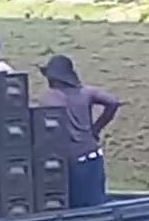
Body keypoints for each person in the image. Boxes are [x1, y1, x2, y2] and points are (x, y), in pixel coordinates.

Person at [37, 54, 120, 208]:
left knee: (78, 210)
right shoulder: (86, 93)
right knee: (97, 205)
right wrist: (95, 129)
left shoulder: (50, 98)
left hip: (73, 162)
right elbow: (113, 102)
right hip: (94, 157)